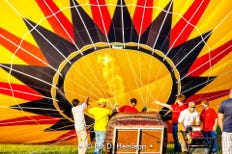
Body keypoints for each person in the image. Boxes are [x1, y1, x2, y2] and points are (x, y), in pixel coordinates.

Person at [218, 89, 232, 154]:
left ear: (230, 93)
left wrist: (222, 130)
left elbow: (219, 119)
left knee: (226, 151)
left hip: (226, 130)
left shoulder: (223, 103)